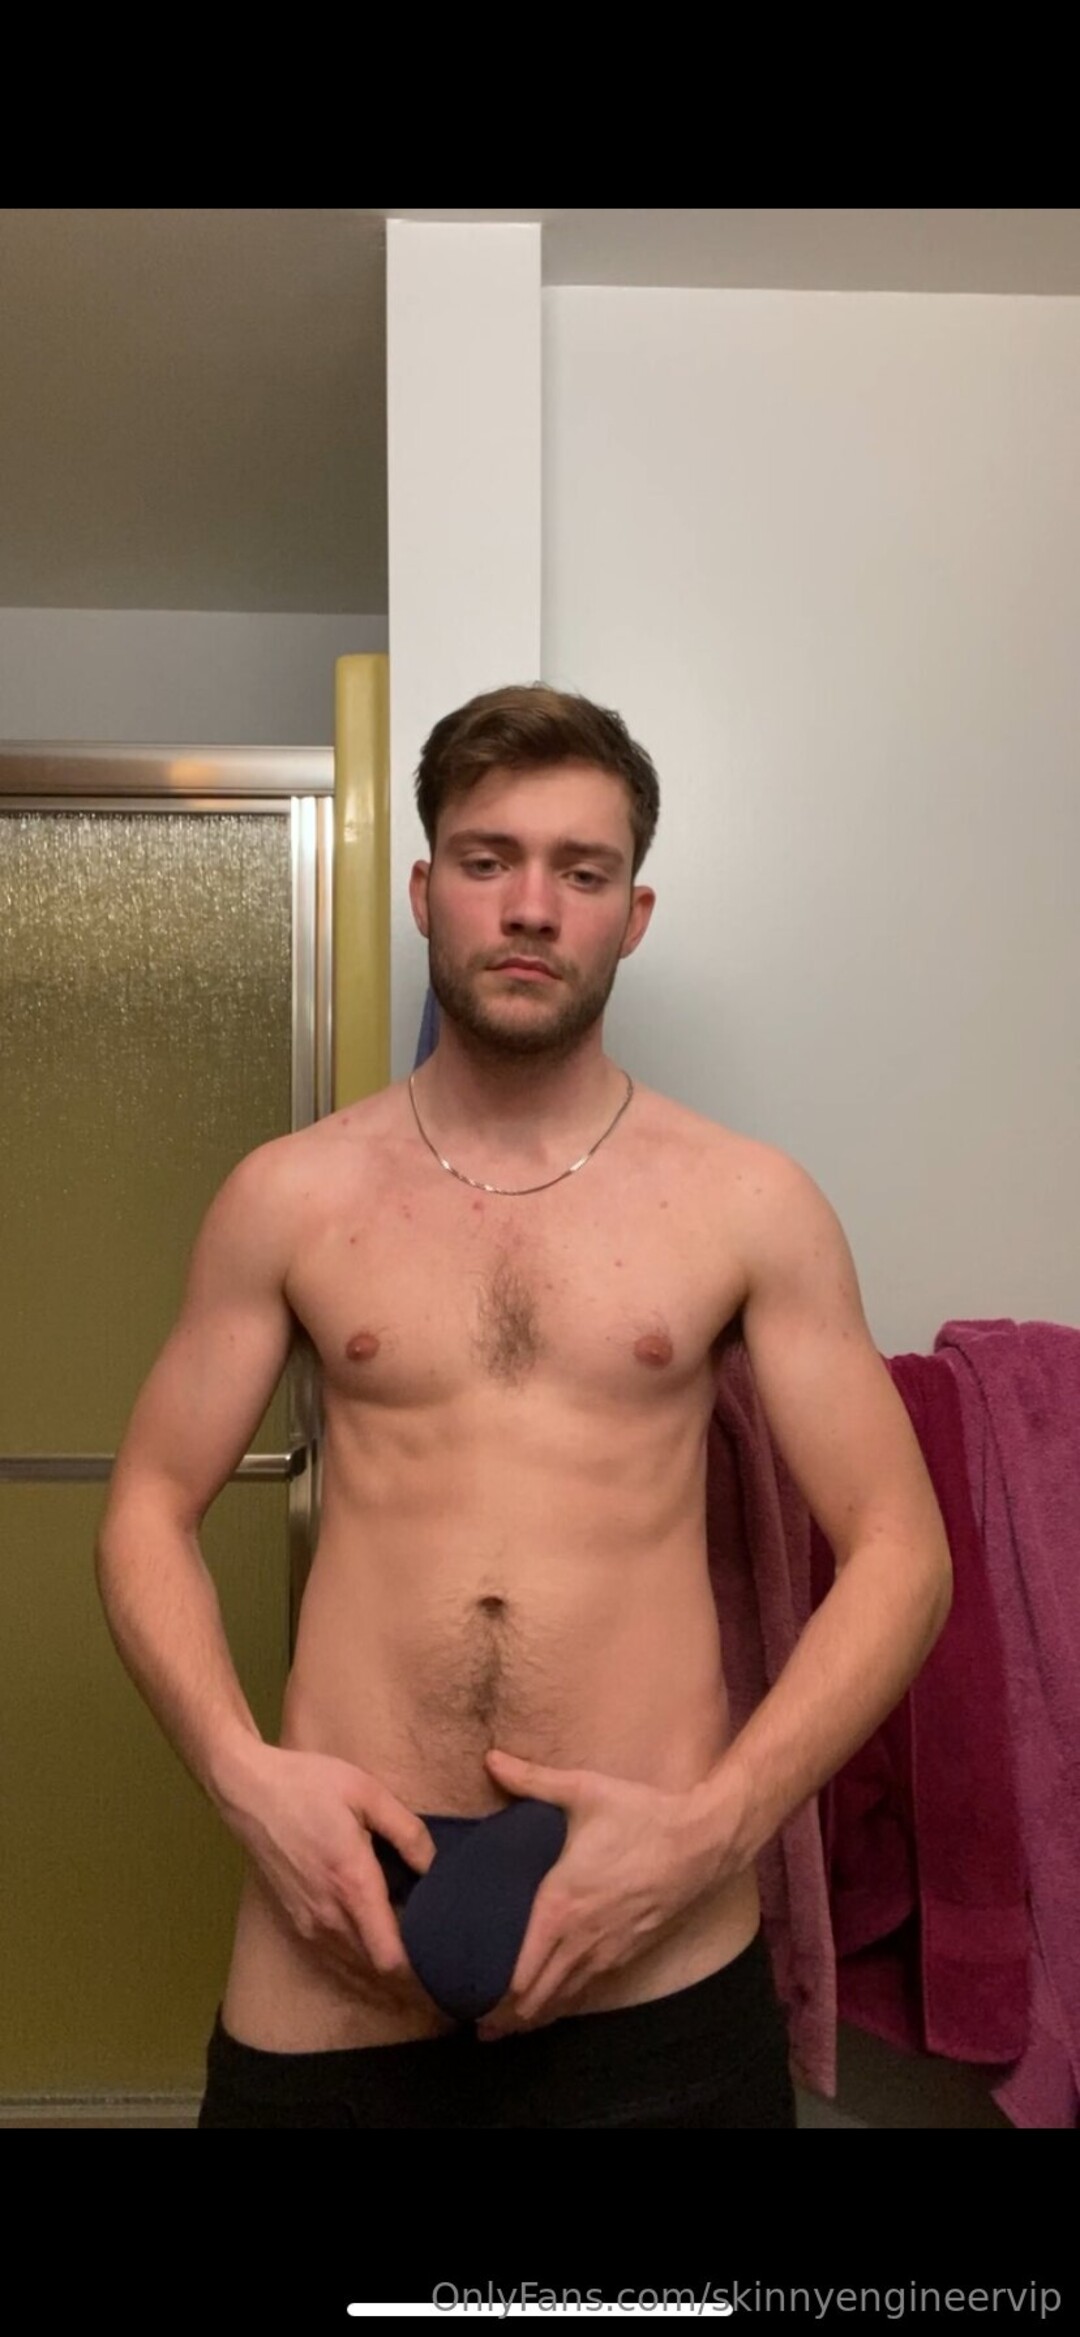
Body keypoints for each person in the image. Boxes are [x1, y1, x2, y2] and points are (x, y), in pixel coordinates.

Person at [95, 682, 953, 2129]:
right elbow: (147, 1504)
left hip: (651, 1919)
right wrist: (245, 1780)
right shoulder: (289, 1195)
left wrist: (715, 1831)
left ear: (635, 913)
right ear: (424, 891)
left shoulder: (747, 1201)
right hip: (336, 1919)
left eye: (583, 870)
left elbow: (901, 1549)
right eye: (489, 860)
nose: (533, 907)